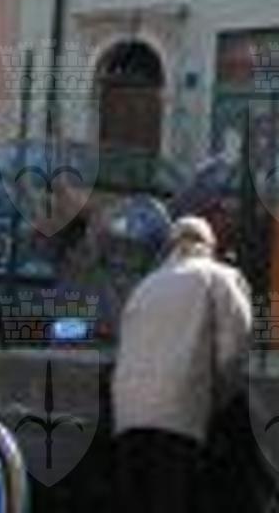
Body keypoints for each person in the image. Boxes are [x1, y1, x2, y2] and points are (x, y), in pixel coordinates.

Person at [111, 213, 253, 511]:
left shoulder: (144, 286)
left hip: (127, 415)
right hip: (179, 415)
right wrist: (220, 398)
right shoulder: (221, 277)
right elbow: (235, 349)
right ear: (210, 246)